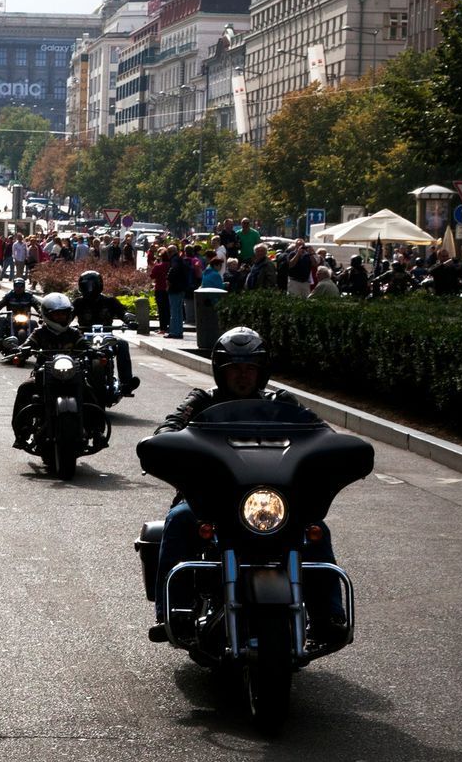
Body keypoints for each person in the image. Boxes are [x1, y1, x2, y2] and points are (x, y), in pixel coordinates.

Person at [146, 327, 343, 640]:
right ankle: (174, 613)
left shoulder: (282, 402)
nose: (242, 376)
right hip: (210, 498)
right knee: (179, 519)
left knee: (315, 528)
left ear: (261, 372)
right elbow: (172, 424)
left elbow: (321, 430)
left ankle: (329, 615)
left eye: (249, 368)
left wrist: (335, 450)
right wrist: (165, 441)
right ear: (220, 372)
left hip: (272, 497)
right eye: (234, 369)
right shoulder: (201, 401)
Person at [8, 292, 86, 449]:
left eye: (64, 314)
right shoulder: (40, 333)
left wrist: (94, 351)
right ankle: (22, 432)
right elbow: (28, 344)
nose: (61, 318)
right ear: (48, 316)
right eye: (57, 315)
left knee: (90, 391)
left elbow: (85, 345)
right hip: (43, 374)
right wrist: (21, 350)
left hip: (71, 374)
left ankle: (95, 429)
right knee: (25, 389)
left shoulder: (73, 333)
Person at [69, 270, 139, 394]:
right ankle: (67, 380)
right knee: (69, 347)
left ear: (99, 285)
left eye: (92, 285)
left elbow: (123, 312)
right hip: (84, 337)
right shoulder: (78, 302)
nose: (90, 289)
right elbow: (68, 316)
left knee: (122, 345)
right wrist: (60, 324)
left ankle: (126, 383)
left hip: (106, 337)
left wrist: (129, 320)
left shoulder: (110, 301)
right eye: (86, 285)